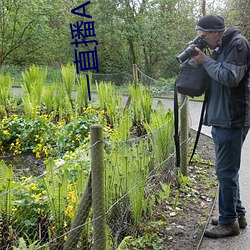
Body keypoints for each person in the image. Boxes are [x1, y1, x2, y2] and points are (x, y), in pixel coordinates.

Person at [192, 15, 250, 238]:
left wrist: (205, 61)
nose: (203, 41)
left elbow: (229, 77)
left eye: (204, 37)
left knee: (225, 171)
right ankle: (237, 214)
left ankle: (228, 223)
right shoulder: (221, 46)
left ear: (216, 32)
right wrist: (202, 60)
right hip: (222, 117)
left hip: (232, 118)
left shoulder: (238, 44)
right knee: (227, 171)